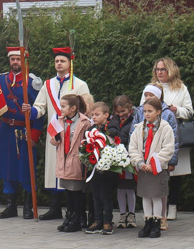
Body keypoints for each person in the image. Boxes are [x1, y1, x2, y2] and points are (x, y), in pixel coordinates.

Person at [36, 47, 91, 221]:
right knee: (54, 167)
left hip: (73, 133)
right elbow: (40, 106)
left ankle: (74, 211)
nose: (59, 64)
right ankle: (55, 207)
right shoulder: (47, 84)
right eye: (56, 61)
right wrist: (31, 111)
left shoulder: (80, 84)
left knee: (72, 169)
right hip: (55, 132)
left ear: (70, 63)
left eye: (62, 61)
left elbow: (87, 108)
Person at [0, 48, 43, 219]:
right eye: (12, 59)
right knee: (7, 167)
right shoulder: (0, 80)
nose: (15, 62)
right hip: (6, 129)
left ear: (24, 61)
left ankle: (28, 206)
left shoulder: (32, 82)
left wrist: (34, 135)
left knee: (26, 168)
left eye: (18, 59)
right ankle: (10, 206)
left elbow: (40, 108)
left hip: (25, 130)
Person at [147, 57, 194, 221]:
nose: (159, 72)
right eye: (157, 69)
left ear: (170, 70)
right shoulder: (151, 88)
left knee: (175, 172)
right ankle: (158, 207)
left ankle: (172, 206)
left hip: (175, 132)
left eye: (162, 69)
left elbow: (190, 112)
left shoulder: (181, 88)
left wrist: (176, 110)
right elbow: (142, 110)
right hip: (154, 134)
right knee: (157, 169)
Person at [133, 83, 180, 230]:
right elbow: (133, 147)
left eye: (150, 111)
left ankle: (157, 221)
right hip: (143, 167)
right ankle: (147, 221)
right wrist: (139, 162)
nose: (146, 114)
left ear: (158, 111)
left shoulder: (165, 127)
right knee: (146, 196)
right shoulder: (139, 128)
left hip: (158, 168)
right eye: (145, 111)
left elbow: (168, 148)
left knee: (157, 195)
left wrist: (155, 162)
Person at [50, 94, 91, 232]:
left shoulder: (84, 123)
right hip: (64, 160)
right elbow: (54, 141)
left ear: (73, 108)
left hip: (76, 161)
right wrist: (55, 138)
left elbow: (87, 142)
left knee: (77, 191)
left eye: (63, 106)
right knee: (68, 190)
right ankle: (70, 215)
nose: (60, 109)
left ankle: (78, 217)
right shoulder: (60, 121)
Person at [84, 102, 118, 234]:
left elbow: (115, 144)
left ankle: (107, 222)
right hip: (94, 169)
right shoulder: (91, 130)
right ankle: (97, 221)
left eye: (97, 114)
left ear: (106, 115)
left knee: (106, 196)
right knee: (96, 196)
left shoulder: (111, 129)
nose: (94, 117)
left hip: (107, 170)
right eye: (93, 115)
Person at [108, 95, 139, 228]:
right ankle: (122, 214)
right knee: (120, 187)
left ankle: (131, 214)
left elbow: (132, 136)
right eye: (118, 112)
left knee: (130, 187)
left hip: (129, 156)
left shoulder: (135, 119)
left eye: (123, 111)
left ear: (129, 108)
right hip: (117, 158)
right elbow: (111, 131)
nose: (121, 114)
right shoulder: (113, 120)